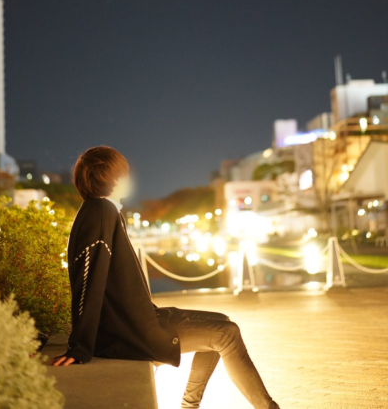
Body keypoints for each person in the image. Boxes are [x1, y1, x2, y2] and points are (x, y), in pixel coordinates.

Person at [52, 145, 281, 409]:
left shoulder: (102, 210)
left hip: (142, 321)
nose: (128, 178)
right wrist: (80, 347)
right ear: (113, 178)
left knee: (223, 322)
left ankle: (189, 406)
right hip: (132, 333)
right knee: (227, 334)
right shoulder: (101, 211)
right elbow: (89, 279)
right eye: (124, 172)